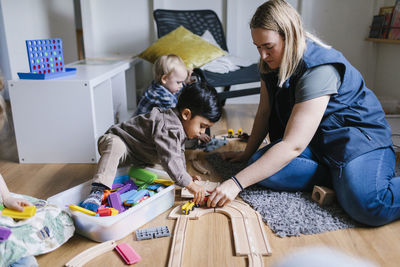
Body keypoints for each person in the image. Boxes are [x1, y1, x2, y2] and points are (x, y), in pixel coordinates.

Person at [207, 0, 399, 227]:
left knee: (368, 206)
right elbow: (264, 112)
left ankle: (349, 180)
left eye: (269, 46)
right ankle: (341, 178)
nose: (263, 55)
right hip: (318, 142)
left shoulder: (319, 69)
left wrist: (235, 184)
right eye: (258, 47)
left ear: (290, 36)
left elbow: (293, 145)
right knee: (259, 165)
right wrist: (247, 154)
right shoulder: (269, 62)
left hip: (356, 141)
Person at [81, 82, 222, 212]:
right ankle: (98, 190)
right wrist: (190, 184)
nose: (202, 132)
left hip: (139, 156)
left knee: (167, 173)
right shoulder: (169, 126)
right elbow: (171, 159)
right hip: (119, 141)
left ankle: (133, 171)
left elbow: (177, 155)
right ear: (186, 114)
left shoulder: (180, 128)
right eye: (202, 126)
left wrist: (187, 178)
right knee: (116, 146)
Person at [136, 54, 211, 143]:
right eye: (179, 82)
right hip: (145, 133)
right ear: (164, 79)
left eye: (182, 82)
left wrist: (185, 82)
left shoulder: (163, 85)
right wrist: (196, 132)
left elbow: (177, 88)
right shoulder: (162, 97)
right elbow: (177, 119)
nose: (181, 86)